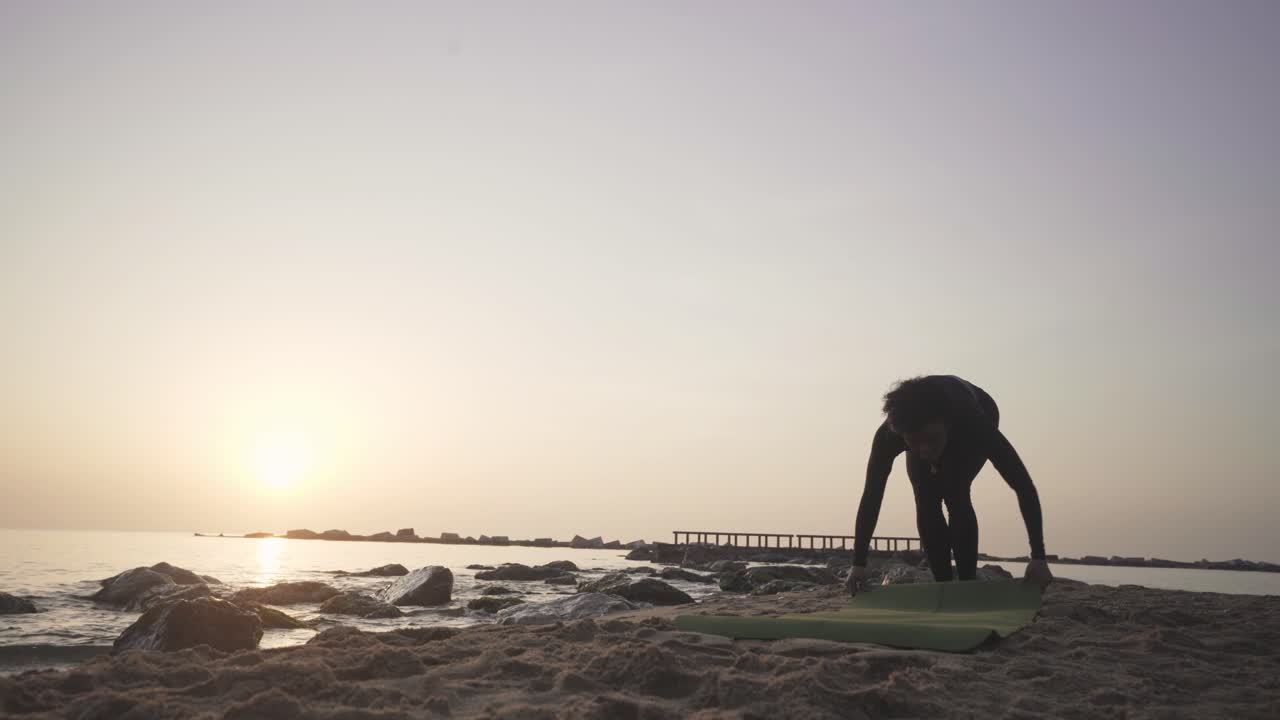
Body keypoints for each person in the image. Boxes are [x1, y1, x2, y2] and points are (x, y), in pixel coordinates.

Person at [847, 375, 1053, 594]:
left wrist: (1038, 558)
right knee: (925, 497)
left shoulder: (973, 423)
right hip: (930, 423)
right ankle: (942, 584)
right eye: (915, 442)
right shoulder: (889, 435)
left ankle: (966, 583)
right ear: (902, 434)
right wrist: (858, 564)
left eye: (931, 439)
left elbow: (1023, 485)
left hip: (980, 409)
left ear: (945, 424)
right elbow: (872, 495)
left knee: (956, 491)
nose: (924, 450)